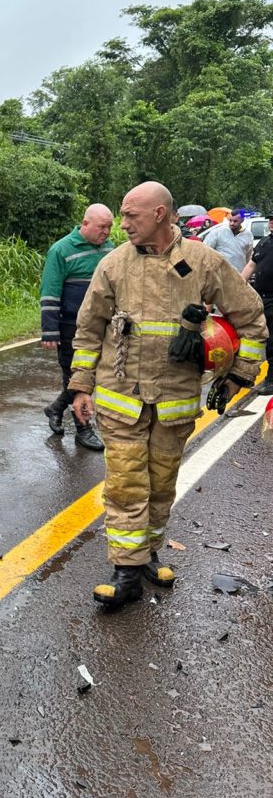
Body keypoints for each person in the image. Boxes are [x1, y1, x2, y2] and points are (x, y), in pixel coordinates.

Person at [69, 181, 267, 608]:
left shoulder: (202, 262)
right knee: (124, 486)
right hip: (121, 401)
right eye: (120, 217)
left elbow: (251, 317)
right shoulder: (114, 266)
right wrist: (81, 385)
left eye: (131, 216)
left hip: (175, 404)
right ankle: (125, 571)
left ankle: (148, 553)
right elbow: (88, 330)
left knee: (161, 486)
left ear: (160, 214)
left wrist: (238, 378)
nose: (123, 225)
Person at [40, 203, 114, 450]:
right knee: (75, 376)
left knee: (86, 375)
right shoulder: (60, 250)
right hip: (70, 326)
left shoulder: (109, 249)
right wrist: (50, 331)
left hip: (101, 325)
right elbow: (50, 291)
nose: (106, 232)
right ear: (85, 224)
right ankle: (83, 429)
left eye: (109, 228)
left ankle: (55, 408)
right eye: (102, 227)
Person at [241, 212, 273, 394]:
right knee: (260, 337)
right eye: (271, 219)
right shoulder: (264, 243)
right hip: (261, 298)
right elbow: (251, 266)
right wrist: (237, 285)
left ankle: (272, 378)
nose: (271, 223)